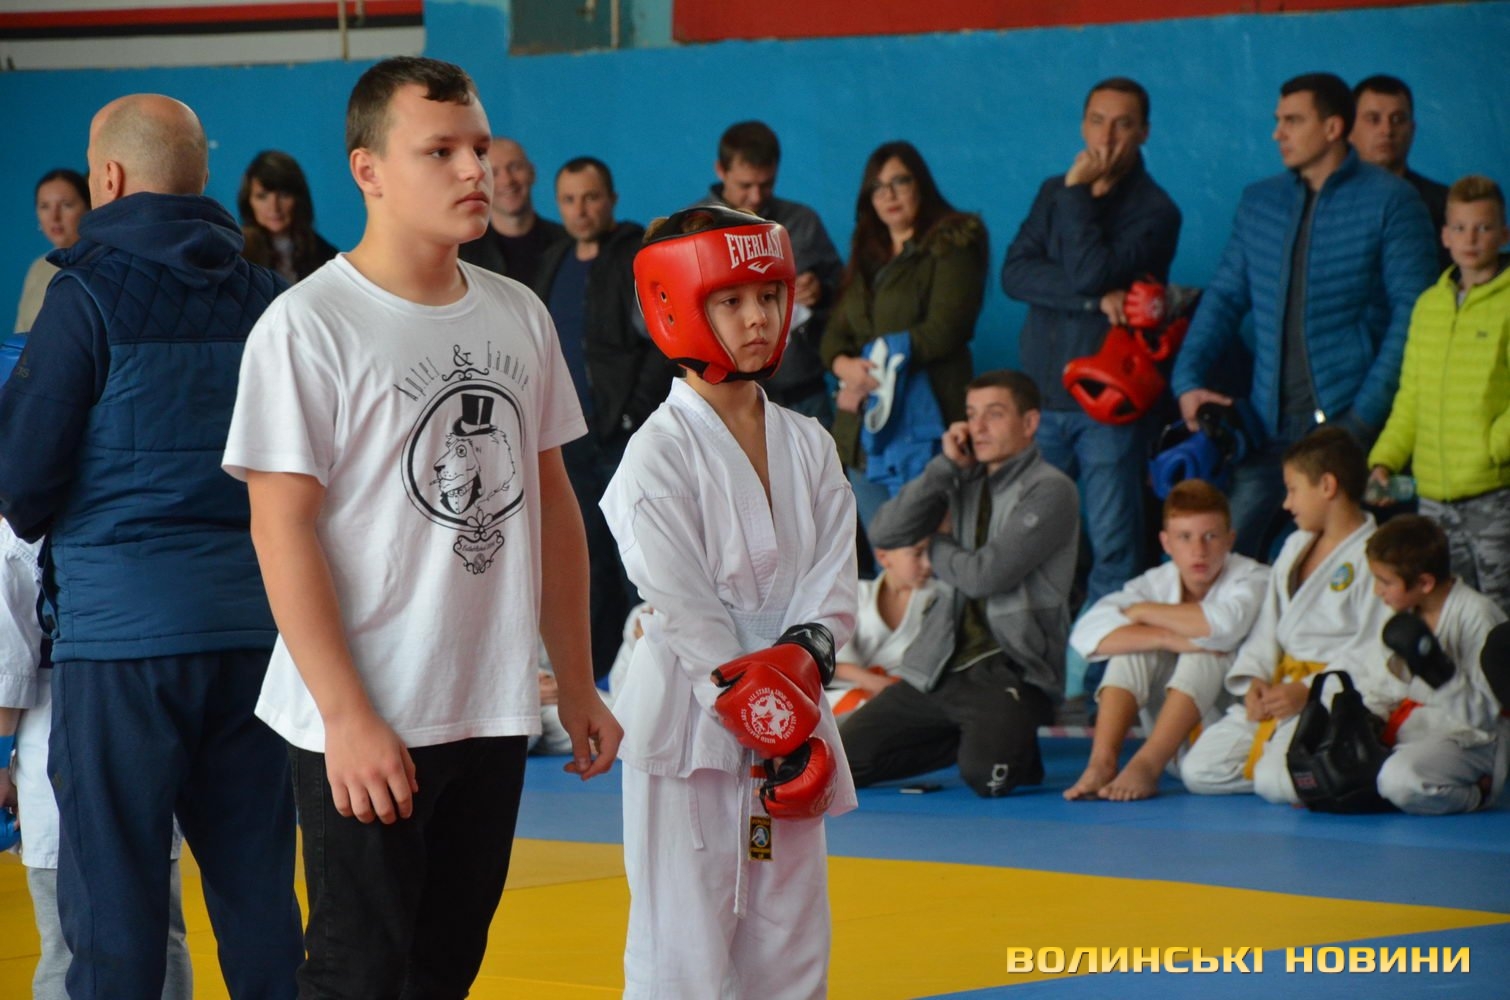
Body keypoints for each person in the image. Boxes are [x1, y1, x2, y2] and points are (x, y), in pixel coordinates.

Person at [222, 57, 621, 996]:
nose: (473, 170)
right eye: (440, 151)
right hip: (366, 710)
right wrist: (346, 716)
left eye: (477, 147)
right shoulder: (307, 326)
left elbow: (552, 507)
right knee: (358, 974)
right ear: (368, 170)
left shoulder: (519, 314)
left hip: (488, 702)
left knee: (446, 969)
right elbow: (280, 532)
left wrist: (576, 678)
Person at [0, 94, 304, 998]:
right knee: (260, 899)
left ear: (109, 177)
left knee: (117, 911)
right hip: (256, 635)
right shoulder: (271, 300)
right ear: (203, 177)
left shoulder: (81, 297)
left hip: (121, 645)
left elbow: (20, 484)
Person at [600, 204, 859, 999]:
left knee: (793, 940)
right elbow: (683, 609)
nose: (758, 318)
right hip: (691, 723)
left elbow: (832, 585)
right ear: (678, 307)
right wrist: (767, 718)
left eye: (770, 297)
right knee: (682, 943)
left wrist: (797, 682)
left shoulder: (809, 442)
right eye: (732, 301)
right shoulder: (656, 455)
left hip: (796, 707)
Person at [1171, 72, 1438, 557]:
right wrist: (1187, 380)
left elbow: (1415, 316)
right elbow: (1225, 297)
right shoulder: (1260, 202)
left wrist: (1361, 418)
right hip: (1266, 426)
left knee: (1349, 568)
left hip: (1350, 425)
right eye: (1279, 120)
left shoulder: (1392, 202)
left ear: (1333, 128)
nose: (1278, 133)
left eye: (1292, 121)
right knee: (1222, 559)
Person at [839, 370, 1078, 797]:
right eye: (971, 414)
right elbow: (886, 533)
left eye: (994, 414)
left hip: (1011, 665)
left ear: (1029, 423)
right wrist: (943, 468)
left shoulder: (1051, 490)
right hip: (939, 663)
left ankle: (999, 739)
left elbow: (987, 576)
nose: (978, 427)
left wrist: (935, 544)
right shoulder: (958, 476)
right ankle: (981, 737)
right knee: (843, 762)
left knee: (987, 779)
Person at [1002, 76, 1182, 611]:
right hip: (1041, 397)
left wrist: (1078, 195)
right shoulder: (1053, 191)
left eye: (1123, 124)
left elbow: (1089, 271)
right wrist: (1093, 302)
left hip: (1110, 404)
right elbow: (1015, 274)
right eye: (1098, 121)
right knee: (1029, 541)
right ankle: (1037, 656)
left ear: (1145, 132)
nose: (1107, 137)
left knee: (1114, 546)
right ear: (1083, 125)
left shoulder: (1156, 210)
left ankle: (1097, 660)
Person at [1181, 428, 1390, 802]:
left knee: (1275, 782)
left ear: (1327, 486)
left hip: (1332, 698)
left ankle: (1349, 765)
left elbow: (1373, 649)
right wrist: (1256, 680)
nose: (1287, 503)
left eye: (1293, 490)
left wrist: (1308, 691)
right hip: (1280, 691)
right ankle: (1323, 770)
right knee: (1198, 770)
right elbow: (1268, 626)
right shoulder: (1295, 545)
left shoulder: (1375, 555)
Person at [533, 155, 676, 678]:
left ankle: (653, 671)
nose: (581, 209)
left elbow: (663, 339)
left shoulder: (636, 257)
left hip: (624, 437)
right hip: (570, 442)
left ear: (612, 199)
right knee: (583, 560)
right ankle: (593, 680)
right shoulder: (554, 260)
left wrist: (633, 413)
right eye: (569, 200)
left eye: (591, 197)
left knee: (638, 560)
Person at [820, 140, 989, 537]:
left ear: (921, 184)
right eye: (878, 188)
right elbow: (833, 337)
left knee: (934, 551)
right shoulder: (867, 253)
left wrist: (878, 364)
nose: (889, 195)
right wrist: (846, 367)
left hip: (930, 423)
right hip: (863, 433)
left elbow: (947, 328)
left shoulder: (953, 240)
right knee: (888, 551)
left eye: (900, 181)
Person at [1064, 479, 1269, 801]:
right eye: (1185, 537)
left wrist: (1144, 611)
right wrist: (1166, 637)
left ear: (1230, 540)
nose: (1198, 550)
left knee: (1206, 648)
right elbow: (1085, 635)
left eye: (1210, 536)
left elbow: (1222, 626)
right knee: (1135, 649)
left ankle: (1146, 764)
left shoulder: (1254, 577)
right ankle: (1102, 763)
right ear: (1166, 542)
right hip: (1177, 746)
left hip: (1226, 737)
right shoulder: (1154, 583)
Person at [1368, 175, 1510, 615]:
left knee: (1499, 610)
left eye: (1484, 228)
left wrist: (1494, 448)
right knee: (1444, 611)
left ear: (1504, 234)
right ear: (1445, 235)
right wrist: (1385, 460)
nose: (1471, 239)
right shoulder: (1428, 306)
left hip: (1494, 494)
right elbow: (1409, 397)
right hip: (1432, 498)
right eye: (1461, 228)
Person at [1353, 516, 1507, 814]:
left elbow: (1486, 718)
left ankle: (1476, 793)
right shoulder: (1404, 614)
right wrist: (1368, 718)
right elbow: (1381, 685)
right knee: (1330, 769)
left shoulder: (1478, 616)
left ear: (1424, 582)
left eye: (1385, 582)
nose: (1376, 591)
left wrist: (1440, 676)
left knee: (1398, 781)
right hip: (1414, 731)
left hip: (1473, 741)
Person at [694, 120, 844, 421]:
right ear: (721, 170)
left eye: (766, 184)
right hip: (724, 399)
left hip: (802, 391)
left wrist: (822, 292)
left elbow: (846, 290)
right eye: (745, 185)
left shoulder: (802, 222)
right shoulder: (691, 231)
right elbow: (648, 318)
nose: (756, 197)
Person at [830, 537, 943, 716]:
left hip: (909, 698)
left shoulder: (942, 598)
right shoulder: (855, 593)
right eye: (917, 553)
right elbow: (829, 657)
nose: (928, 563)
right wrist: (873, 682)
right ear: (883, 556)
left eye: (933, 552)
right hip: (847, 694)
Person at [1350, 74, 1451, 269]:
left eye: (1398, 119)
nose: (1387, 130)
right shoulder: (1328, 202)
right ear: (1349, 130)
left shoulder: (1445, 205)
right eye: (1373, 119)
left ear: (1412, 130)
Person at [458, 136, 566, 289]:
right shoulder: (462, 256)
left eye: (515, 167)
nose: (507, 180)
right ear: (481, 183)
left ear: (532, 173)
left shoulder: (569, 245)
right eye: (494, 172)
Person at [237, 149, 338, 283]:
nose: (274, 207)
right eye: (262, 196)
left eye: (284, 195)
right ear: (248, 201)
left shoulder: (326, 257)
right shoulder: (236, 254)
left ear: (299, 199)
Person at [13, 168, 89, 334]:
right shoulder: (38, 268)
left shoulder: (102, 265)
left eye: (66, 205)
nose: (54, 217)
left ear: (88, 208)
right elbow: (19, 335)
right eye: (45, 206)